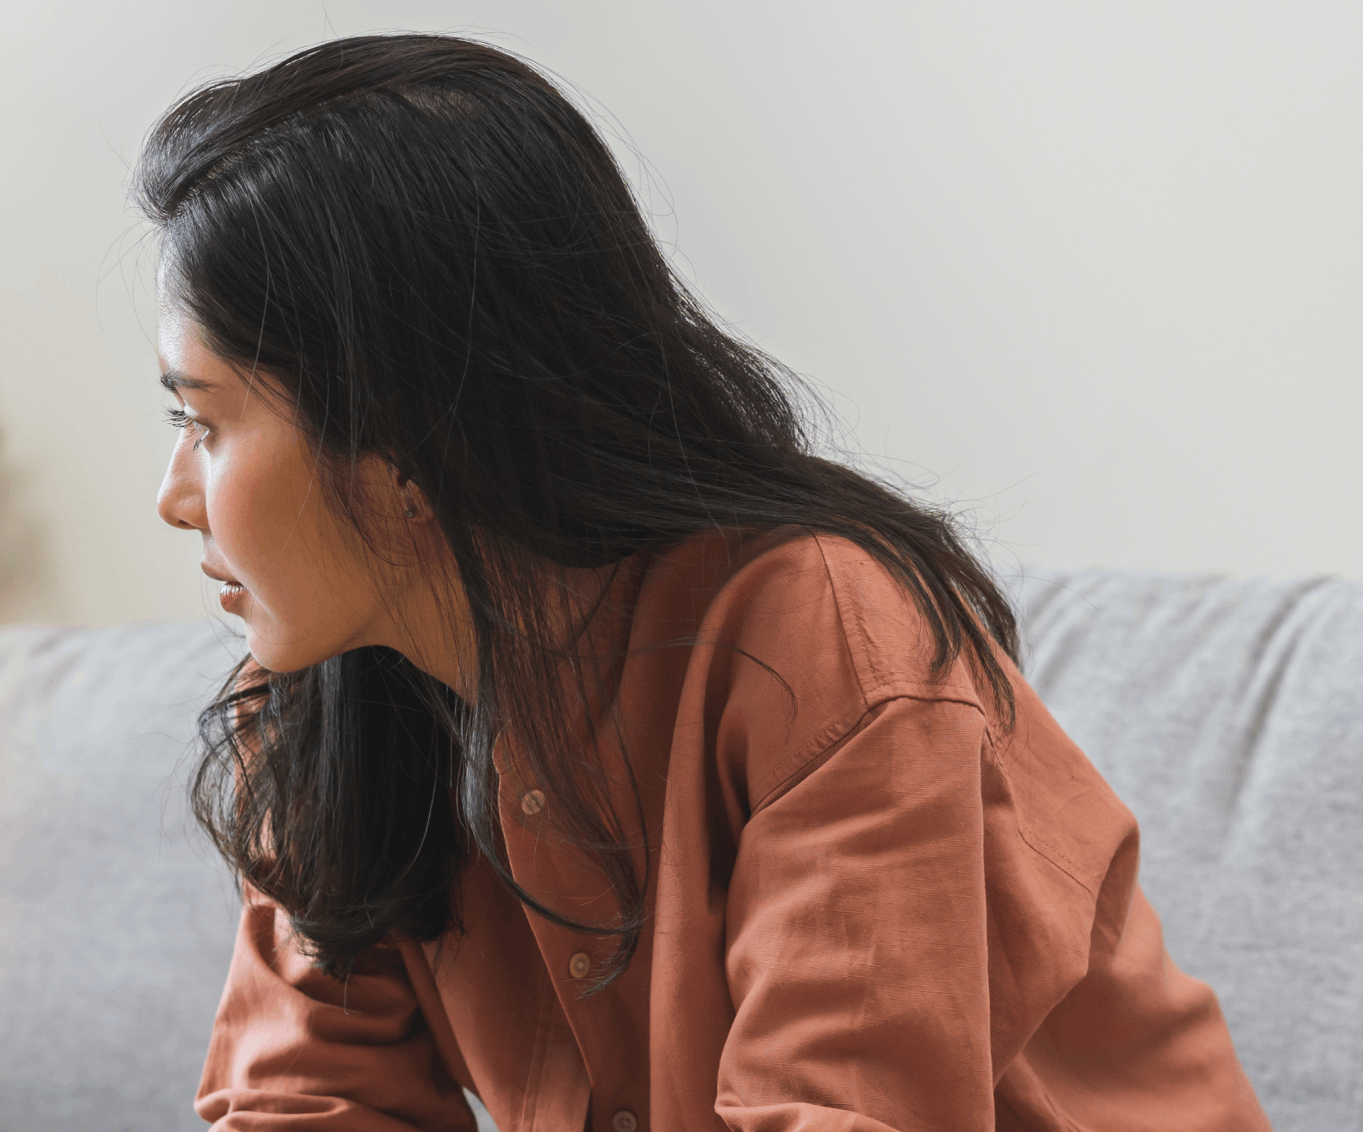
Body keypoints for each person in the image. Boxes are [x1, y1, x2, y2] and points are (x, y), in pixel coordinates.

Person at [143, 32, 1270, 1132]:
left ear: (399, 441)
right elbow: (300, 1097)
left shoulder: (824, 640)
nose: (172, 493)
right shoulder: (331, 712)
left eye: (204, 420)